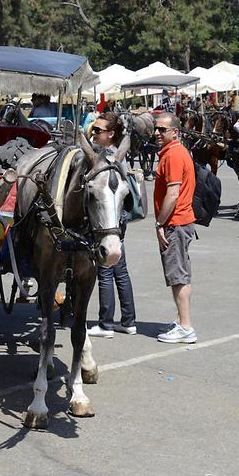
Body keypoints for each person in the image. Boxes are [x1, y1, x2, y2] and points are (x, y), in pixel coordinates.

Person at [87, 112, 137, 338]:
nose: (93, 133)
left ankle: (106, 324)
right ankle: (128, 321)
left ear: (111, 134)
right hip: (119, 220)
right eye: (93, 129)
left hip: (110, 222)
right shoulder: (118, 155)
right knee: (121, 271)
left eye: (98, 130)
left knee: (105, 271)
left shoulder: (108, 157)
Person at [152, 112, 197, 344]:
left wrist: (160, 223)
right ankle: (182, 321)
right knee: (181, 274)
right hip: (180, 222)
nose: (157, 133)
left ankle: (186, 327)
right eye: (156, 129)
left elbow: (173, 192)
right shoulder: (174, 152)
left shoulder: (173, 155)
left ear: (175, 132)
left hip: (175, 223)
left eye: (162, 130)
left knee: (177, 276)